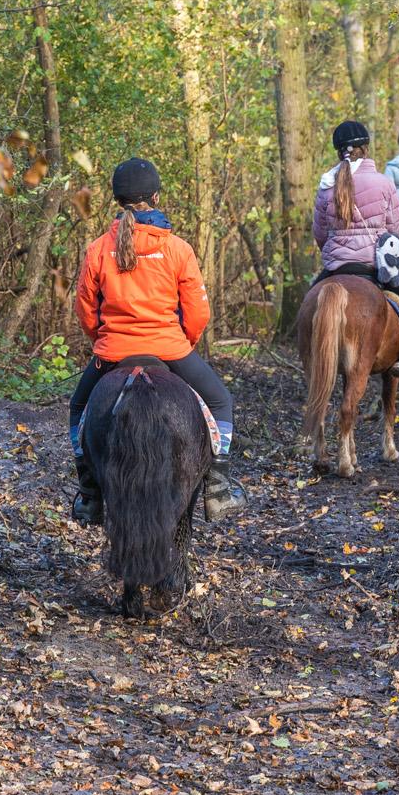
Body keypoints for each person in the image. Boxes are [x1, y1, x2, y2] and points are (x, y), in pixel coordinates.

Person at [70, 158, 245, 525]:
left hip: (114, 353)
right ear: (155, 195)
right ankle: (217, 486)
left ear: (117, 200)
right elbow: (197, 312)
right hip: (169, 349)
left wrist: (103, 341)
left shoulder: (98, 249)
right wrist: (185, 342)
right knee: (220, 400)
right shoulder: (178, 249)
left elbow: (86, 310)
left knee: (79, 407)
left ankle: (88, 491)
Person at [312, 119, 399, 390]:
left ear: (337, 151)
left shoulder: (325, 186)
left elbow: (320, 235)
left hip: (336, 267)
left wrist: (336, 255)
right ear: (365, 148)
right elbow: (395, 231)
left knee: (308, 308)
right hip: (373, 265)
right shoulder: (383, 182)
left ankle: (310, 361)